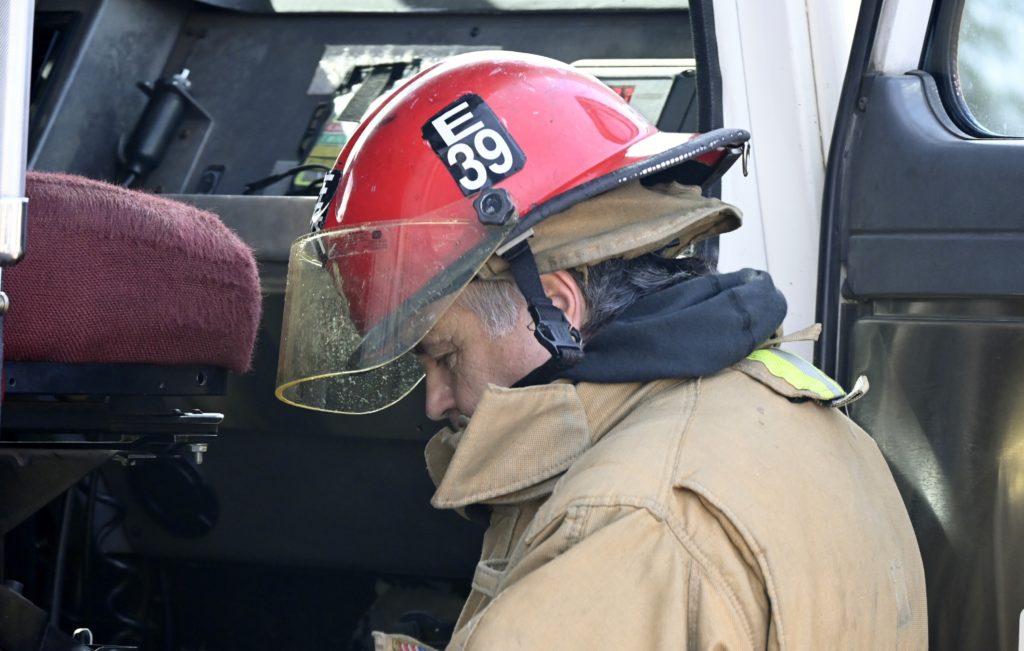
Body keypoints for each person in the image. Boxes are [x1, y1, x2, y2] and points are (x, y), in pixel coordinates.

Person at [275, 51, 927, 649]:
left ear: (557, 309)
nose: (437, 401)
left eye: (445, 356)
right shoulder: (786, 413)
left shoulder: (624, 522)